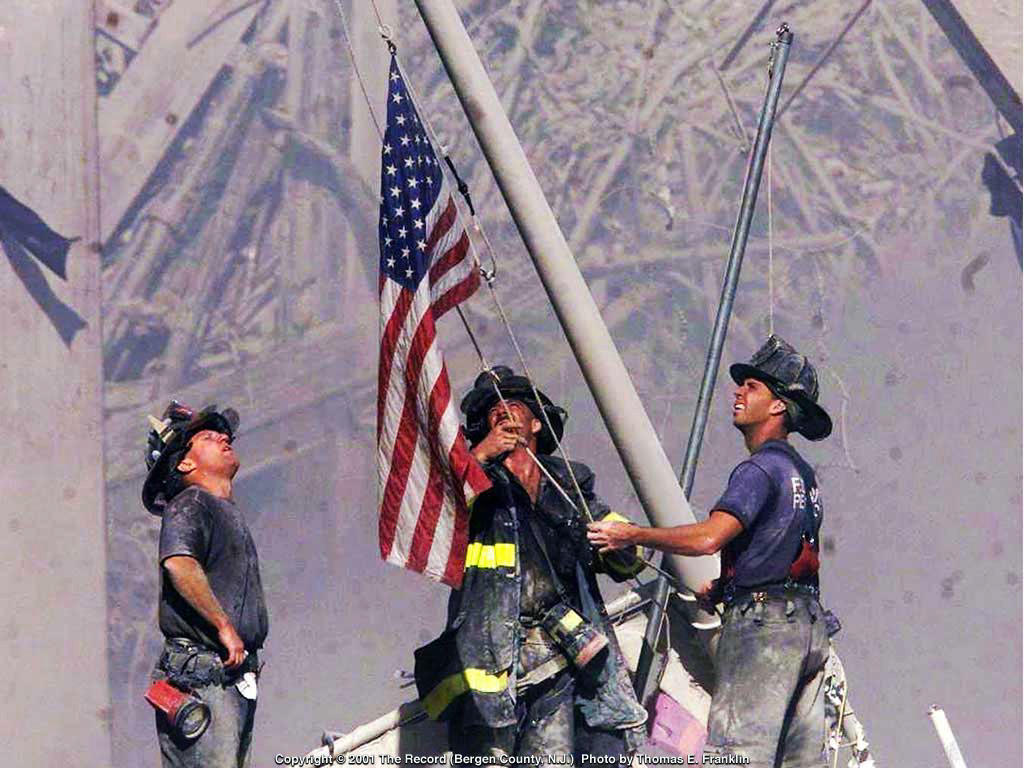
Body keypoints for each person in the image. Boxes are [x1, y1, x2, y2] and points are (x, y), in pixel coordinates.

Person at [588, 335, 835, 768]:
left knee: (737, 756)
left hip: (764, 631)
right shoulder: (803, 475)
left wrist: (633, 536)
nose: (738, 392)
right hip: (807, 627)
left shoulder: (760, 468)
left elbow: (709, 538)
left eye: (753, 387)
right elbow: (784, 549)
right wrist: (725, 586)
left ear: (778, 406)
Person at [414, 367, 648, 762]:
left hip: (573, 655)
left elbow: (623, 552)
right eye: (491, 413)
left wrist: (626, 544)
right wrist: (481, 456)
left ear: (536, 422)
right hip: (496, 662)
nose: (501, 413)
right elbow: (435, 519)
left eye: (513, 405)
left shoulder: (568, 483)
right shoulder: (473, 484)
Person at [142, 401, 268, 768]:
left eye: (223, 434)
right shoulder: (190, 502)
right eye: (209, 437)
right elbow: (180, 564)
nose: (223, 438)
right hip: (202, 678)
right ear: (184, 463)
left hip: (228, 679)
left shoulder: (220, 510)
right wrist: (224, 626)